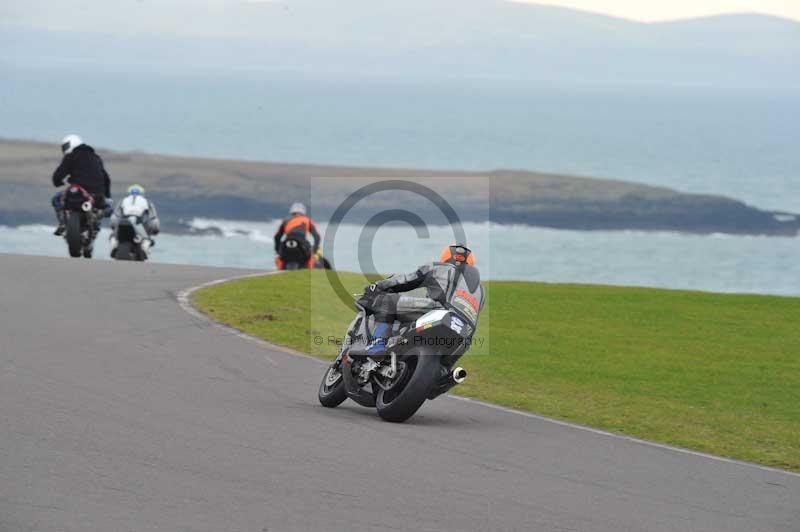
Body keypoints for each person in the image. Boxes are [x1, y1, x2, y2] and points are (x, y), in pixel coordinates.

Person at [356, 244, 485, 356]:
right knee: (445, 368)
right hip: (465, 336)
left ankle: (378, 344)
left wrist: (377, 286)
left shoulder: (439, 267)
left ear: (445, 258)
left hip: (441, 313)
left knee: (388, 302)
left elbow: (406, 281)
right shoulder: (481, 291)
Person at [51, 134, 112, 235]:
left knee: (56, 199)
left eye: (66, 146)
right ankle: (95, 223)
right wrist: (107, 195)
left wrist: (58, 182)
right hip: (97, 194)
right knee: (106, 207)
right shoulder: (96, 158)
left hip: (79, 191)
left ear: (73, 144)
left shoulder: (71, 156)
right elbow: (106, 178)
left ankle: (62, 224)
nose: (64, 149)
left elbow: (58, 175)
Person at [109, 184, 160, 258]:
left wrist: (114, 227)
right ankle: (144, 247)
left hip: (123, 222)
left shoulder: (123, 200)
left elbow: (115, 217)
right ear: (142, 194)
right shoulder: (147, 202)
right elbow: (153, 218)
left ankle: (114, 245)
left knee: (113, 236)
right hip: (138, 222)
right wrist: (155, 230)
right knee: (146, 239)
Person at [273, 202, 321, 269]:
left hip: (286, 246)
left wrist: (278, 250)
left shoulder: (285, 220)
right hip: (302, 245)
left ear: (292, 212)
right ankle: (309, 268)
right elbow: (317, 237)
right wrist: (314, 250)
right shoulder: (307, 220)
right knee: (312, 256)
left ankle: (280, 270)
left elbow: (276, 237)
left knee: (280, 258)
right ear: (303, 212)